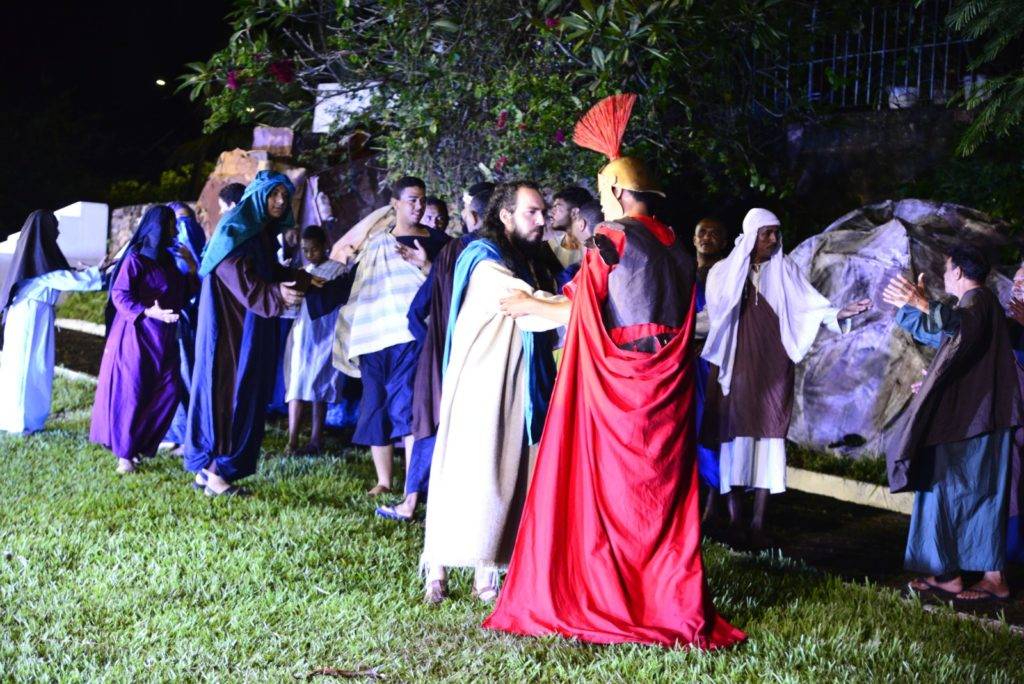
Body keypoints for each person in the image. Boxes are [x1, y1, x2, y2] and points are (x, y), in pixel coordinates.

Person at [483, 93, 745, 649]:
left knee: (616, 493)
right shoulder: (677, 244)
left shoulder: (613, 236)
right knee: (661, 497)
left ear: (618, 192)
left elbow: (583, 304)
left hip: (621, 380)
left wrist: (530, 305)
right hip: (668, 379)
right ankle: (663, 600)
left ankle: (612, 597)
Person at [419, 181, 562, 604]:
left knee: (502, 473)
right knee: (467, 473)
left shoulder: (527, 258)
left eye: (543, 212)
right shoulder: (484, 259)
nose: (541, 220)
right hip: (479, 382)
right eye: (532, 212)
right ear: (505, 215)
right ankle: (437, 570)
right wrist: (583, 307)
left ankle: (487, 574)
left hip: (515, 380)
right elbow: (523, 304)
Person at [700, 208, 870, 547]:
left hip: (772, 365)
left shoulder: (785, 268)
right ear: (752, 234)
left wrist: (838, 313)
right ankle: (735, 520)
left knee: (769, 437)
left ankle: (758, 523)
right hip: (736, 366)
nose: (774, 239)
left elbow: (810, 306)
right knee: (734, 442)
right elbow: (715, 315)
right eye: (767, 233)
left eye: (777, 233)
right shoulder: (723, 271)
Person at [883, 246, 1023, 604]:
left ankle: (963, 575)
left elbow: (959, 325)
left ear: (958, 271)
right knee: (957, 492)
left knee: (958, 492)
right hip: (972, 418)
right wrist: (911, 308)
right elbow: (944, 334)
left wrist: (924, 303)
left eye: (947, 269)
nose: (944, 275)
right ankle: (950, 573)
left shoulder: (979, 302)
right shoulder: (973, 307)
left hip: (976, 420)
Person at [184, 171, 312, 496]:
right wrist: (275, 294)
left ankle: (208, 472)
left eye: (285, 196)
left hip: (248, 326)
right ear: (258, 196)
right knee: (230, 391)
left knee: (239, 391)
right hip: (231, 332)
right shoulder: (235, 228)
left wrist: (302, 278)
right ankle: (217, 474)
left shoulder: (259, 232)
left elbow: (267, 271)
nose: (280, 201)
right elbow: (238, 275)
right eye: (274, 194)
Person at [318, 176, 448, 496]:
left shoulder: (439, 242)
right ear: (395, 203)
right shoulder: (377, 242)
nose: (418, 206)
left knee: (408, 407)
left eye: (422, 200)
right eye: (412, 200)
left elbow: (448, 284)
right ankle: (384, 481)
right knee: (375, 406)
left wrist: (427, 265)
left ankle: (412, 486)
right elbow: (349, 271)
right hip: (372, 336)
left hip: (410, 336)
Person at [376, 182, 495, 522]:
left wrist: (434, 342)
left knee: (430, 418)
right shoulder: (508, 253)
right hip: (490, 354)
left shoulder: (457, 249)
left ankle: (411, 501)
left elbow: (417, 310)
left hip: (448, 352)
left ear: (473, 217)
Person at [90, 206, 198, 474]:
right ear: (156, 227)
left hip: (164, 336)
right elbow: (120, 294)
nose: (174, 230)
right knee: (133, 393)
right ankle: (124, 456)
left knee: (169, 391)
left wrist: (191, 266)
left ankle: (138, 444)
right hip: (136, 335)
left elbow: (184, 293)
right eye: (170, 224)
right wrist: (148, 311)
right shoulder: (135, 259)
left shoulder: (168, 260)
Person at [0, 211, 106, 434]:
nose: (57, 232)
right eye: (54, 227)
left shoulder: (36, 260)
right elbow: (70, 281)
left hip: (33, 316)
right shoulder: (40, 265)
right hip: (30, 319)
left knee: (33, 367)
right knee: (27, 367)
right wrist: (100, 272)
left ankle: (24, 419)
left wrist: (94, 270)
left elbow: (66, 275)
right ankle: (19, 422)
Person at [283, 225, 349, 455]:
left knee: (320, 385)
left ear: (325, 246)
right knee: (297, 384)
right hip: (303, 335)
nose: (310, 254)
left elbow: (339, 298)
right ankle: (292, 440)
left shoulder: (338, 270)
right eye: (305, 250)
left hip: (326, 334)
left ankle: (316, 439)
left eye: (314, 249)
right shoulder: (302, 272)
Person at [162, 202, 207, 454]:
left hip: (188, 318)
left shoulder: (196, 250)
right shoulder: (165, 251)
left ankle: (186, 433)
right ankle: (173, 432)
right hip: (172, 317)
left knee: (186, 374)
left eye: (188, 221)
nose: (185, 229)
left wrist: (192, 267)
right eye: (179, 223)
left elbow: (198, 279)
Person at [692, 218, 729, 523]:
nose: (708, 237)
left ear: (724, 242)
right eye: (702, 232)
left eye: (715, 233)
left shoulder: (727, 276)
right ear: (694, 239)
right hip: (682, 361)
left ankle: (714, 503)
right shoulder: (683, 273)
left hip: (711, 362)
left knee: (710, 429)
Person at [546, 186, 592, 270]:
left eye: (557, 207)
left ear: (574, 212)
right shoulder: (550, 247)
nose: (551, 213)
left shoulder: (596, 246)